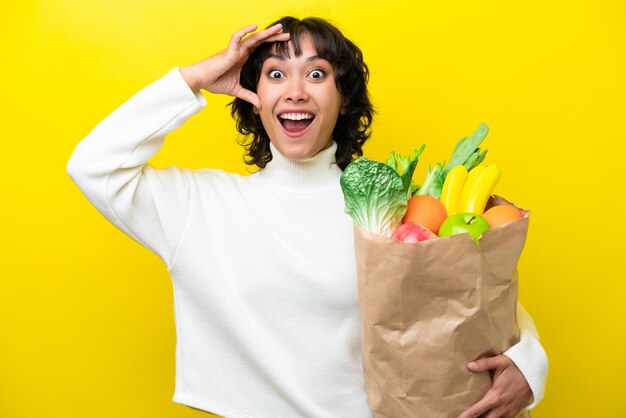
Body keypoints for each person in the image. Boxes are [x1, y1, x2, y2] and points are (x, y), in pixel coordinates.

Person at [67, 16, 547, 418]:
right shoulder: (200, 208)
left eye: (316, 74)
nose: (295, 91)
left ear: (343, 99)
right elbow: (92, 166)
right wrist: (192, 80)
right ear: (252, 96)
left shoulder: (388, 208)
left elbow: (468, 296)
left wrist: (530, 365)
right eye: (275, 74)